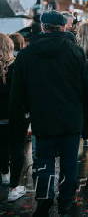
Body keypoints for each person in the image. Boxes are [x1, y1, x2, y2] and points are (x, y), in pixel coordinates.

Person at [9, 11, 88, 216]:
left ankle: (44, 198)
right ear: (63, 27)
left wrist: (19, 119)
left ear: (43, 27)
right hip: (71, 119)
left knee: (44, 162)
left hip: (42, 119)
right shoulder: (75, 52)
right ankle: (66, 201)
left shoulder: (27, 54)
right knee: (69, 163)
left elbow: (18, 92)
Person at [0, 34, 27, 202]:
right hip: (16, 116)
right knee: (17, 150)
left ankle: (4, 174)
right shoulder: (17, 66)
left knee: (1, 146)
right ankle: (14, 187)